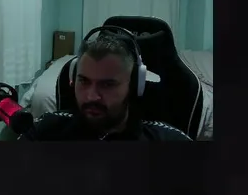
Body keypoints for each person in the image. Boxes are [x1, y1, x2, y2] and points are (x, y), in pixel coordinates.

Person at [19, 31, 190, 141]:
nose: (91, 96)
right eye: (84, 81)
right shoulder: (46, 130)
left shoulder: (168, 140)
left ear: (133, 85)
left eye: (108, 84)